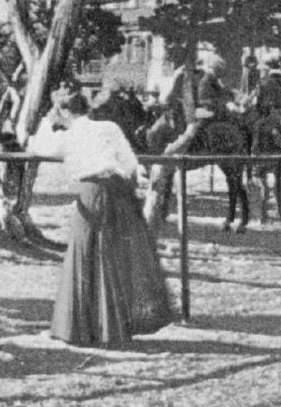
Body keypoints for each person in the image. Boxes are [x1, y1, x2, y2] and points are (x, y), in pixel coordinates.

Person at [29, 91, 177, 347]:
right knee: (113, 255)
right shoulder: (109, 127)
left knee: (84, 255)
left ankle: (81, 330)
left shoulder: (69, 135)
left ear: (64, 112)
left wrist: (46, 121)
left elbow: (39, 146)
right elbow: (130, 163)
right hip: (120, 192)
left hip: (92, 191)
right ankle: (115, 328)